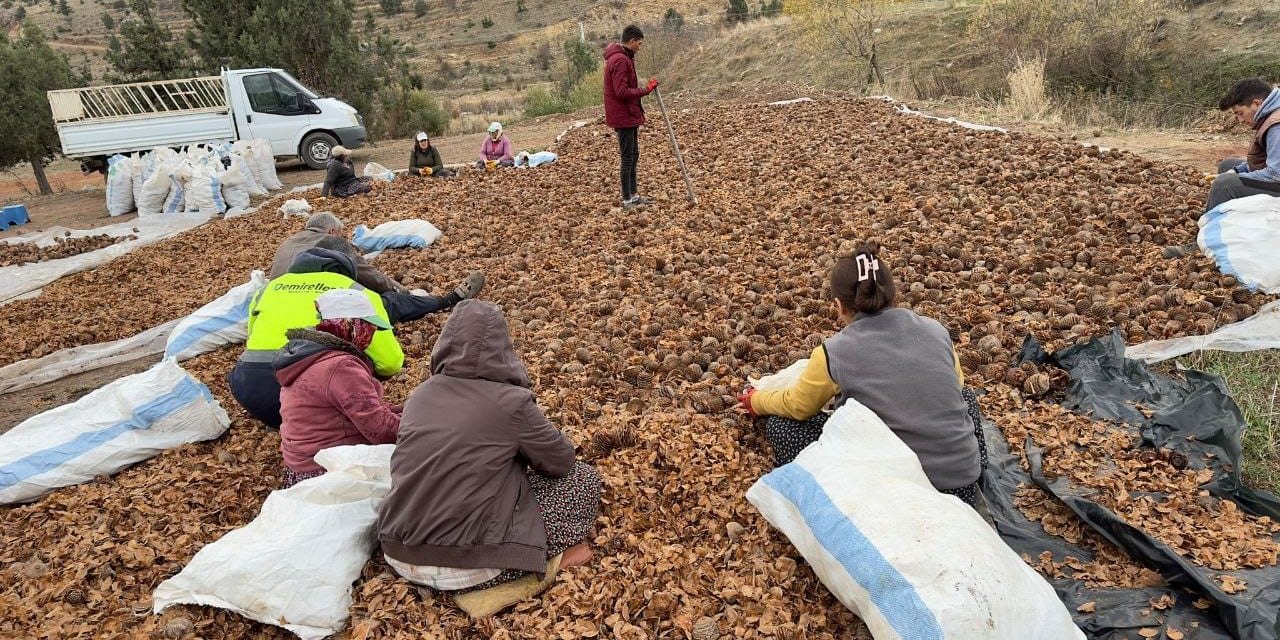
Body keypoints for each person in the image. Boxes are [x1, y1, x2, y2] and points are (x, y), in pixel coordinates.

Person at [737, 243, 986, 507]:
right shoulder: (936, 331)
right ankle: (980, 473)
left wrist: (756, 401)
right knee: (967, 397)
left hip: (893, 494)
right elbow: (956, 384)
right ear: (893, 294)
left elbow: (798, 406)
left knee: (782, 427)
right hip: (961, 483)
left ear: (838, 306)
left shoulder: (834, 352)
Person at [378, 300, 601, 593]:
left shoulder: (419, 396)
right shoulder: (511, 401)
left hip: (398, 552)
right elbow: (561, 462)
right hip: (467, 564)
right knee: (583, 480)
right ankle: (544, 565)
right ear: (503, 348)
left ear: (445, 343)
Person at [230, 248, 406, 428]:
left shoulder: (267, 288)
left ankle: (283, 421)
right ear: (345, 272)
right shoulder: (356, 291)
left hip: (249, 384)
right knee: (361, 358)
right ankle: (331, 420)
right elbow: (390, 363)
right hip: (311, 392)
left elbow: (251, 338)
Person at [273, 289, 403, 488]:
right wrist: (422, 423)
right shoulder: (342, 367)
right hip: (329, 473)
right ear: (349, 324)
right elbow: (380, 430)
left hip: (301, 470)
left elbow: (362, 411)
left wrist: (407, 409)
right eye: (367, 326)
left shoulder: (309, 356)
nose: (371, 334)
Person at [268, 212, 483, 314]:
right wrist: (404, 292)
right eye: (342, 234)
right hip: (316, 309)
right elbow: (370, 276)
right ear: (332, 231)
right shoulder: (331, 242)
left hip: (275, 308)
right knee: (390, 302)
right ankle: (448, 300)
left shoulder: (286, 243)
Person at [1164, 78, 1280, 258]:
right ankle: (1228, 221)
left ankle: (1203, 244)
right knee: (1227, 165)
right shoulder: (1270, 114)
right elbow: (1263, 160)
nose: (1239, 120)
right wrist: (1237, 171)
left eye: (1240, 113)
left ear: (1257, 104)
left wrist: (1233, 179)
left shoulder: (1276, 125)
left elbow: (1275, 174)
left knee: (1224, 184)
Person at [603, 25, 658, 210]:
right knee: (628, 158)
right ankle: (627, 200)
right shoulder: (620, 60)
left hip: (627, 113)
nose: (640, 47)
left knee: (634, 155)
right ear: (632, 41)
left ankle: (634, 196)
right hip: (623, 115)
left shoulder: (624, 57)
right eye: (639, 43)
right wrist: (646, 90)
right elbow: (621, 91)